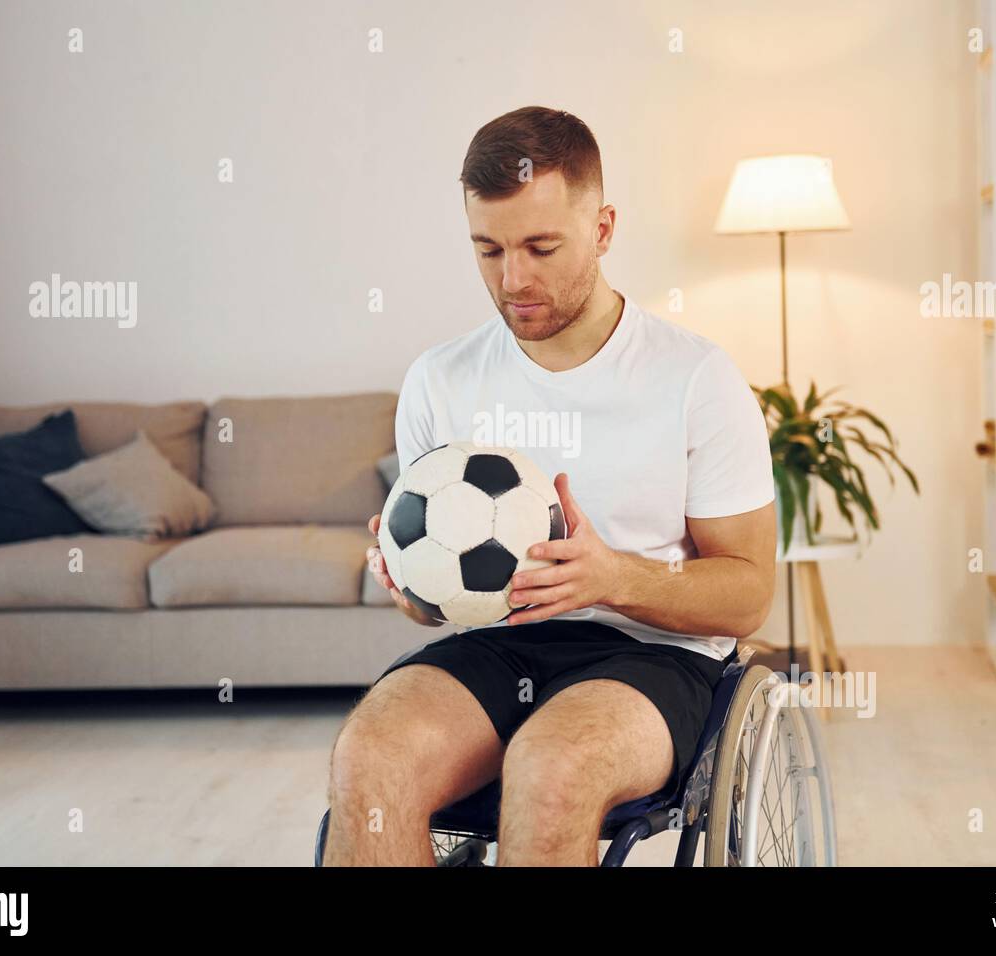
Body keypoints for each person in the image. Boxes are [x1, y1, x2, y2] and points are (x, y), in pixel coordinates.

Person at [323, 106, 776, 866]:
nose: (513, 279)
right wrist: (410, 584)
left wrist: (612, 579)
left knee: (552, 764)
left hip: (656, 656)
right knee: (370, 756)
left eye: (540, 246)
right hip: (498, 651)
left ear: (602, 228)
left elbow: (749, 593)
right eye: (489, 249)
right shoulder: (440, 379)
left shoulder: (696, 377)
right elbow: (429, 615)